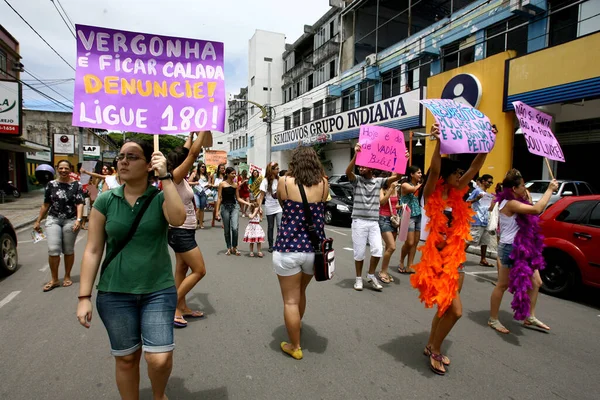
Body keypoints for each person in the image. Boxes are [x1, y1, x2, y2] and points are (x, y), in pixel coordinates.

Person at [76, 138, 186, 400]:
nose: (123, 161)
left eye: (132, 157)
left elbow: (178, 218)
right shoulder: (105, 200)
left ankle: (159, 395)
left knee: (159, 359)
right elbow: (92, 250)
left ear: (149, 164)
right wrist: (84, 297)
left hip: (158, 291)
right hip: (114, 293)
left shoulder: (160, 197)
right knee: (126, 359)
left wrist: (166, 177)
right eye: (121, 156)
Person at [411, 123, 495, 376]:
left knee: (445, 309)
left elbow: (475, 168)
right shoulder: (430, 193)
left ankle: (430, 343)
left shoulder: (458, 192)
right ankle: (435, 349)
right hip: (437, 261)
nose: (461, 175)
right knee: (456, 311)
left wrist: (487, 142)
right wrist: (438, 143)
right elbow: (435, 169)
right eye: (455, 172)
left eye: (461, 173)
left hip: (455, 260)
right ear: (445, 176)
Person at [273, 146, 329, 360]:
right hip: (313, 251)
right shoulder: (324, 183)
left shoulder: (285, 182)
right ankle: (298, 324)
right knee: (301, 293)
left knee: (290, 301)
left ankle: (294, 345)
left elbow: (282, 204)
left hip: (287, 248)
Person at [488, 170, 557, 334]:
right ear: (513, 188)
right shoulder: (509, 203)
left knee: (536, 282)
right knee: (502, 285)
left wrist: (528, 195)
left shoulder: (517, 200)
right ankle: (493, 319)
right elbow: (536, 210)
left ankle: (529, 316)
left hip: (523, 248)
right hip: (509, 248)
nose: (525, 188)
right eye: (523, 185)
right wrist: (549, 189)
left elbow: (533, 208)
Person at [166, 131, 212, 328]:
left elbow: (187, 151)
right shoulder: (174, 176)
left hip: (185, 230)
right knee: (199, 270)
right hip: (180, 231)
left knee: (182, 269)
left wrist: (192, 134)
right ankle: (172, 305)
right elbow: (192, 154)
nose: (190, 162)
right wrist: (203, 128)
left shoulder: (179, 178)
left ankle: (181, 307)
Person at [346, 143, 401, 291]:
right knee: (359, 252)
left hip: (373, 222)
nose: (360, 168)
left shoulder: (378, 182)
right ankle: (358, 279)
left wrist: (403, 159)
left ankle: (371, 275)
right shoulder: (356, 180)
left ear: (370, 167)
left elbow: (397, 176)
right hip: (358, 221)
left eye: (363, 166)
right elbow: (348, 172)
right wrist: (356, 155)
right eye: (359, 166)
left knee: (377, 250)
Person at [34, 160, 84, 292]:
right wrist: (38, 220)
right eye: (61, 168)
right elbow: (46, 204)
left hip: (71, 219)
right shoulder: (51, 184)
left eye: (66, 168)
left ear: (70, 169)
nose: (63, 170)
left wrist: (79, 220)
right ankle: (54, 279)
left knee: (68, 250)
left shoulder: (76, 185)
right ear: (57, 169)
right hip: (53, 219)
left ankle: (67, 276)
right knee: (53, 249)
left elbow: (80, 203)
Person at [216, 167, 251, 255]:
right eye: (232, 173)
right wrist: (217, 211)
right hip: (225, 208)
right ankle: (229, 247)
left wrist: (248, 204)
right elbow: (219, 198)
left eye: (235, 173)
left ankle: (234, 247)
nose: (234, 175)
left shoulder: (235, 185)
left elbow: (238, 198)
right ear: (227, 174)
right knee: (227, 229)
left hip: (234, 207)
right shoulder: (222, 184)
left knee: (235, 228)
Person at [397, 166, 423, 274]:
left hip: (418, 214)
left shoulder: (419, 185)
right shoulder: (405, 185)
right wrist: (423, 183)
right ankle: (401, 261)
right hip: (408, 215)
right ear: (411, 174)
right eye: (418, 172)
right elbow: (412, 190)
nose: (420, 175)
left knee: (415, 242)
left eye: (421, 173)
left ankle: (410, 265)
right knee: (410, 242)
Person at [466, 174, 495, 266]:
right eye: (489, 182)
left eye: (491, 182)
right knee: (470, 240)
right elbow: (467, 202)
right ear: (483, 181)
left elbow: (488, 207)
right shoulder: (476, 191)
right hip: (477, 219)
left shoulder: (487, 194)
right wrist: (476, 198)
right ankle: (456, 257)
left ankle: (483, 259)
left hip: (485, 220)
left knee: (485, 241)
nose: (490, 184)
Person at [377, 178, 398, 284]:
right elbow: (382, 202)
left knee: (388, 248)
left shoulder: (396, 188)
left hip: (393, 219)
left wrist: (402, 207)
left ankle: (384, 270)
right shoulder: (382, 188)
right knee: (392, 247)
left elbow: (394, 205)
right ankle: (382, 272)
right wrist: (391, 189)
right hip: (383, 219)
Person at [259, 162, 283, 252]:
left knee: (279, 226)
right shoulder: (265, 181)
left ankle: (278, 244)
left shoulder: (280, 179)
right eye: (276, 168)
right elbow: (261, 196)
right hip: (269, 206)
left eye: (278, 168)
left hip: (279, 206)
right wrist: (259, 207)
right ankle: (270, 245)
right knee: (270, 226)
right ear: (271, 170)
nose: (278, 170)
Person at [188, 162, 210, 229]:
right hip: (196, 193)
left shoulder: (206, 175)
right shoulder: (194, 174)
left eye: (204, 167)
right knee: (197, 207)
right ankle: (195, 223)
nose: (203, 168)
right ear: (199, 167)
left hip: (203, 193)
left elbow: (209, 183)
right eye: (202, 167)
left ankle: (201, 223)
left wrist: (208, 185)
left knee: (202, 209)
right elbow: (188, 182)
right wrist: (195, 183)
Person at [210, 164, 226, 228]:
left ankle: (223, 222)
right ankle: (213, 219)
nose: (222, 169)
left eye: (223, 168)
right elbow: (211, 184)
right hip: (216, 192)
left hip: (224, 193)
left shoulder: (225, 176)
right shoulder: (214, 176)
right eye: (221, 168)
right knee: (216, 207)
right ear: (219, 169)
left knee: (223, 208)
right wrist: (215, 186)